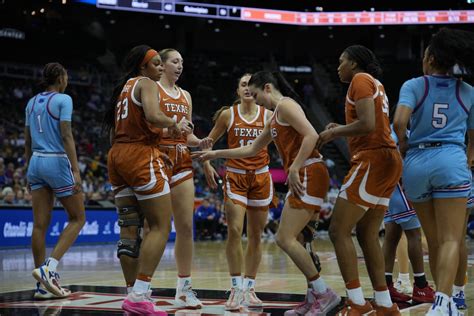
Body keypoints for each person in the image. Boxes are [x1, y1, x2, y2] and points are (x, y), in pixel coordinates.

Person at [194, 71, 340, 316]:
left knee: (283, 238)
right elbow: (251, 148)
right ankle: (312, 296)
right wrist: (215, 155)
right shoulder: (271, 120)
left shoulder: (285, 106)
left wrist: (294, 167)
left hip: (308, 171)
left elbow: (312, 135)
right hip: (300, 172)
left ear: (268, 88)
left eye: (258, 93)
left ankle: (324, 293)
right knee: (302, 240)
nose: (255, 98)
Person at [103, 45, 191, 315]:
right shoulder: (146, 83)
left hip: (116, 155)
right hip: (140, 155)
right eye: (156, 64)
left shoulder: (124, 88)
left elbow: (114, 132)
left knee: (129, 231)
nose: (161, 68)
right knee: (160, 227)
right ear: (143, 67)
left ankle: (131, 294)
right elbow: (154, 116)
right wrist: (175, 123)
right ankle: (140, 295)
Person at [393, 27, 474, 315]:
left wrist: (403, 144)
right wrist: (468, 157)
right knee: (453, 238)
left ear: (429, 57)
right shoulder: (468, 91)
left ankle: (445, 303)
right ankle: (444, 302)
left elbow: (400, 121)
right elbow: (472, 136)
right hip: (451, 159)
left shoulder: (414, 85)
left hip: (416, 160)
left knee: (434, 239)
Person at [317, 45, 402, 315]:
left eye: (341, 61)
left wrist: (334, 133)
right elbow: (368, 122)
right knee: (366, 234)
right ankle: (385, 304)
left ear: (354, 63)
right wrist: (340, 129)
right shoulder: (375, 82)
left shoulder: (360, 79)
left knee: (337, 230)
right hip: (387, 159)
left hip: (372, 158)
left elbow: (367, 124)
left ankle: (356, 302)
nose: (337, 66)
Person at [201, 73, 274, 310]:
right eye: (242, 84)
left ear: (257, 90)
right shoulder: (228, 115)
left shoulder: (269, 116)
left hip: (262, 177)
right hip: (235, 177)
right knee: (234, 230)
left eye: (250, 85)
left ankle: (249, 287)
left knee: (255, 235)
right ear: (237, 90)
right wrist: (206, 163)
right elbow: (208, 142)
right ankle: (235, 287)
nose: (246, 88)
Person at [157, 48, 212, 309]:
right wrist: (171, 127)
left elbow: (187, 134)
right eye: (174, 61)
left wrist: (199, 141)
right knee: (153, 228)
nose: (179, 66)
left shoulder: (186, 96)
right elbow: (147, 126)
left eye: (182, 62)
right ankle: (142, 286)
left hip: (182, 160)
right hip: (157, 158)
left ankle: (183, 288)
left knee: (186, 227)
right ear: (162, 64)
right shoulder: (151, 89)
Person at [25, 62, 85, 299]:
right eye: (66, 75)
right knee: (78, 218)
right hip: (56, 161)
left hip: (36, 162)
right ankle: (49, 269)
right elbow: (66, 134)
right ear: (60, 78)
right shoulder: (64, 99)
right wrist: (76, 170)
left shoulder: (31, 103)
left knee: (39, 225)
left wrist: (28, 168)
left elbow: (27, 140)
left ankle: (41, 286)